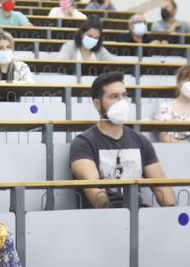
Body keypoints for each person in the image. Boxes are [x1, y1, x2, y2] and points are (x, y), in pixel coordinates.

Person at [70, 71, 176, 208]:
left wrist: (172, 216)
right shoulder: (83, 143)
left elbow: (162, 188)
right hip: (101, 219)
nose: (122, 102)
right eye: (114, 96)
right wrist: (120, 220)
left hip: (139, 216)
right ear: (97, 104)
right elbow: (94, 190)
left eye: (124, 95)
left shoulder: (140, 141)